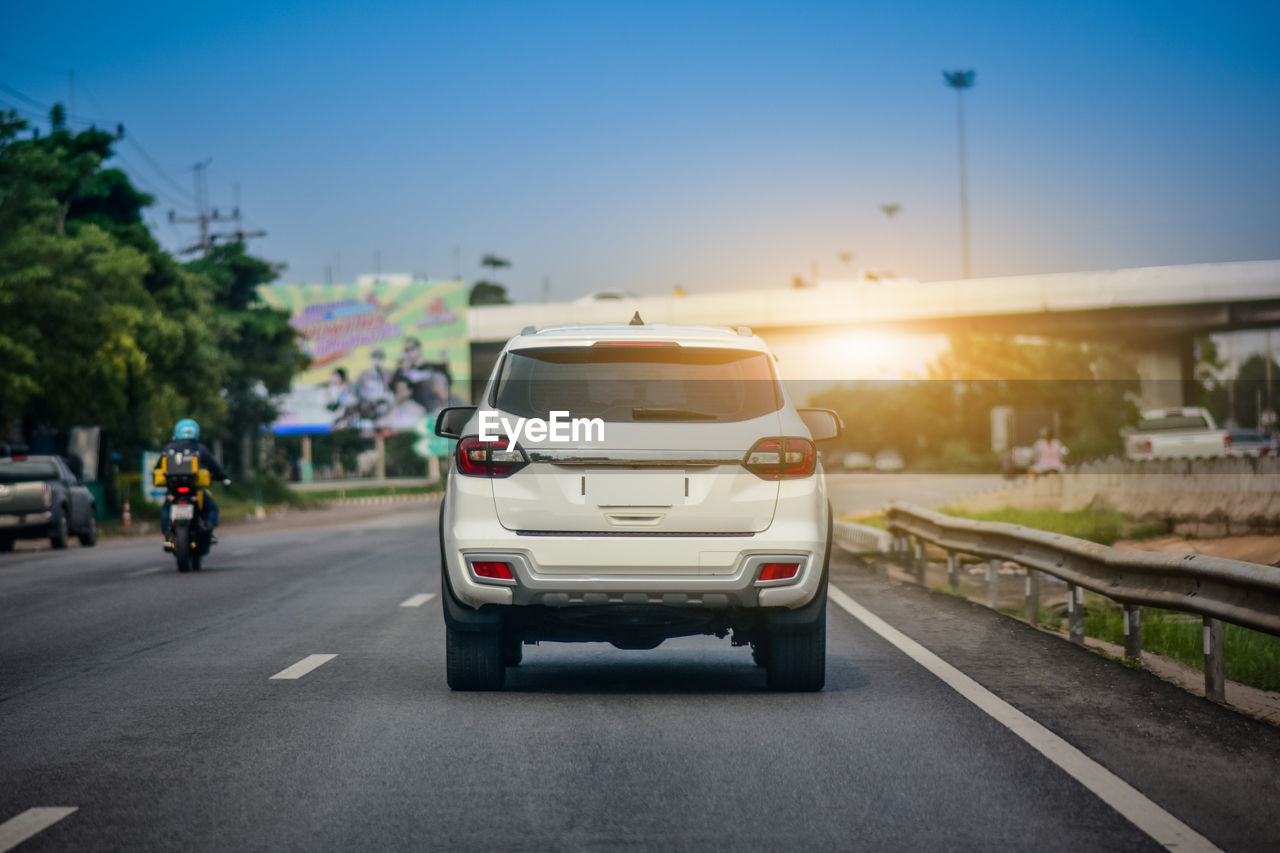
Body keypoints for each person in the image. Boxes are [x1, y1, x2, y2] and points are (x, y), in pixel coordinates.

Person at [154, 419, 228, 546]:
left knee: (166, 509)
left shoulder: (168, 448)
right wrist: (221, 476)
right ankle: (208, 530)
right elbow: (214, 466)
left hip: (174, 490)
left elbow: (157, 468)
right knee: (212, 509)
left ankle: (168, 534)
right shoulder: (200, 448)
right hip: (194, 489)